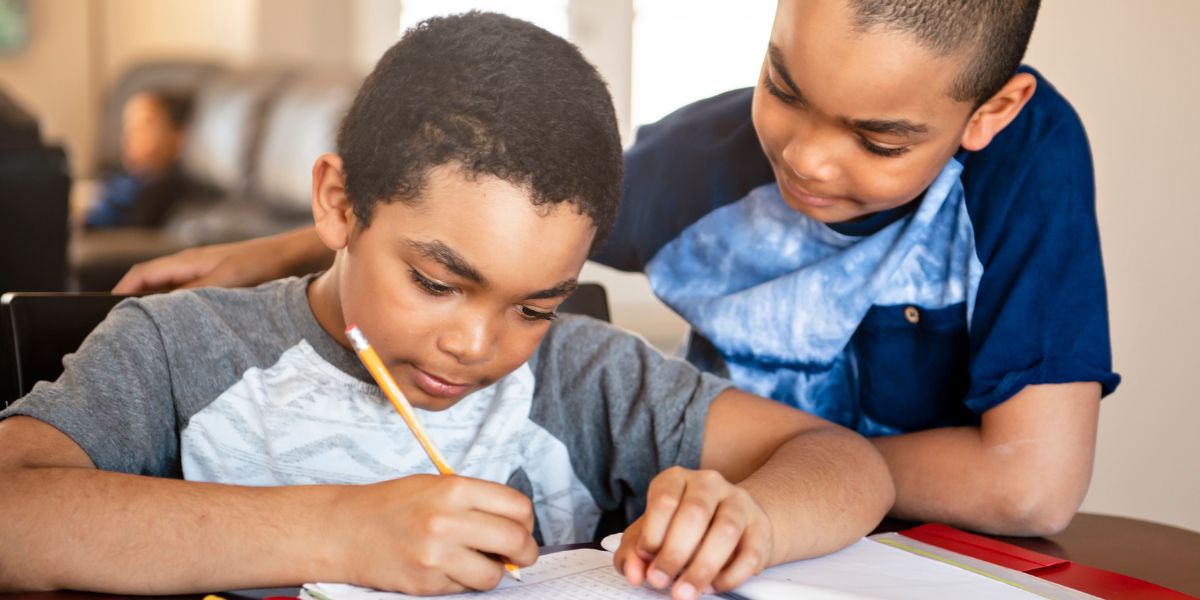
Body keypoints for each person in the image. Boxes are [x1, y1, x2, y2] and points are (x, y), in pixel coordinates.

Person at [115, 0, 1120, 537]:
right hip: (699, 534)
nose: (807, 158)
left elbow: (1029, 489)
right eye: (784, 85)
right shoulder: (694, 163)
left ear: (990, 113)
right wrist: (294, 244)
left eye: (880, 139)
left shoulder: (1024, 171)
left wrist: (772, 483)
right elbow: (494, 215)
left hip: (835, 533)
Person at [0, 12, 892, 599]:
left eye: (534, 306)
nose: (475, 343)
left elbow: (844, 462)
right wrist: (341, 531)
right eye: (435, 281)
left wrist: (753, 520)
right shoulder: (182, 347)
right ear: (339, 205)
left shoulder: (582, 376)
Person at [85, 89, 192, 229]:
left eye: (144, 125)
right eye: (128, 126)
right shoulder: (117, 175)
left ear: (178, 138)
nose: (130, 134)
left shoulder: (161, 191)